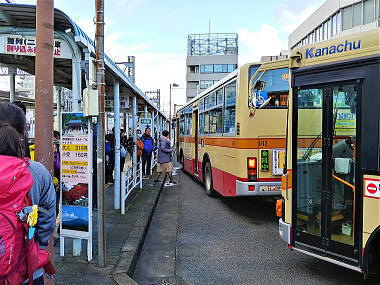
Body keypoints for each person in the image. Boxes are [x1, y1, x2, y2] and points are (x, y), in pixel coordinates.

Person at [0, 102, 56, 285]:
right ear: (24, 133)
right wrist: (35, 243)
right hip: (27, 271)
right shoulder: (37, 172)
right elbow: (46, 221)